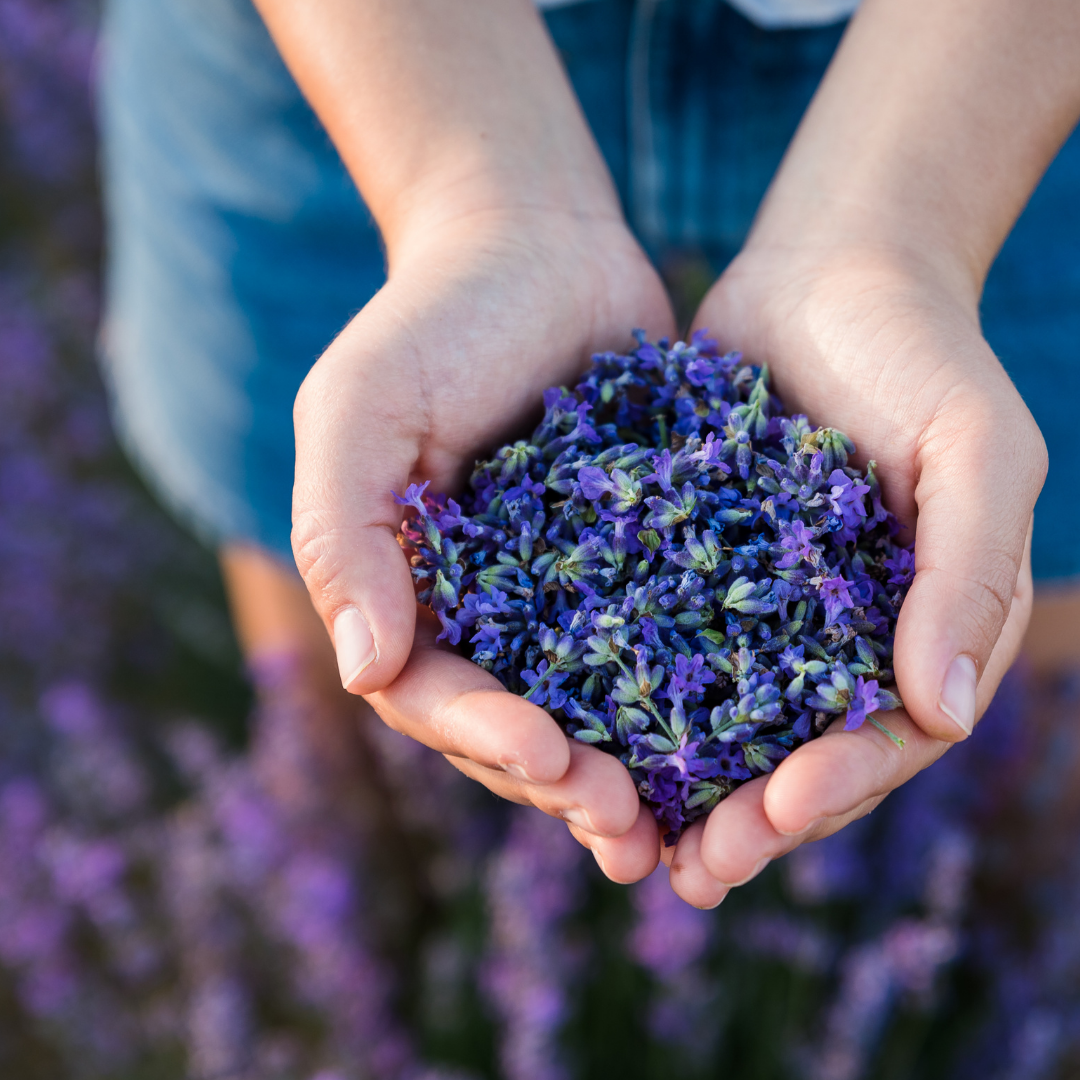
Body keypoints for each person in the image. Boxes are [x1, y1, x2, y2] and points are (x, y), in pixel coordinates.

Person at [98, 0, 1080, 908]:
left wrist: (900, 242)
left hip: (987, 76)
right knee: (342, 698)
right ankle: (370, 961)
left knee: (1008, 732)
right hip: (378, 55)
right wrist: (472, 211)